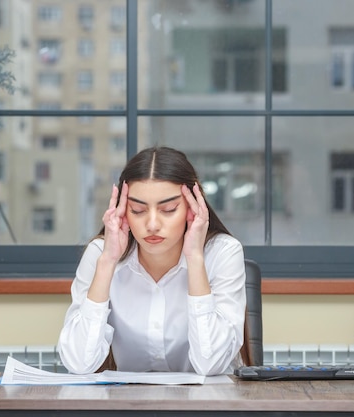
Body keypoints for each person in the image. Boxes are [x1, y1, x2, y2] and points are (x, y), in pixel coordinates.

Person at [57, 146, 246, 376]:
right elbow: (78, 363)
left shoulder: (223, 253)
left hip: (206, 406)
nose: (153, 224)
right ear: (123, 210)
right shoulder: (101, 254)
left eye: (168, 209)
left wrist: (195, 258)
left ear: (193, 206)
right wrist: (107, 262)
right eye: (137, 210)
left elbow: (211, 364)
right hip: (129, 406)